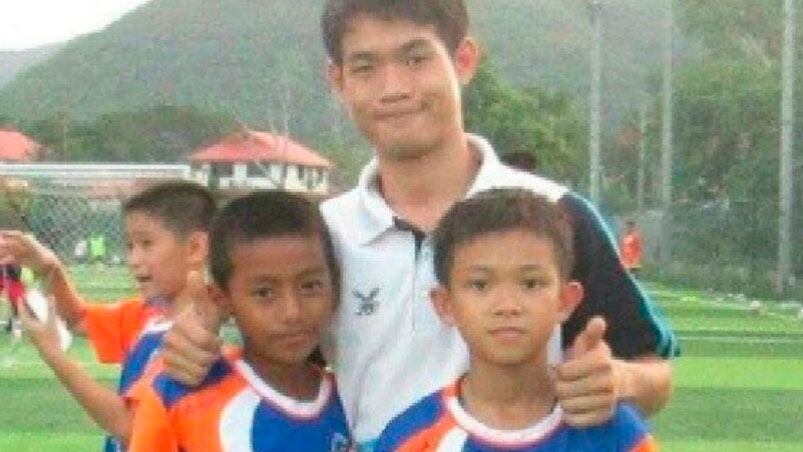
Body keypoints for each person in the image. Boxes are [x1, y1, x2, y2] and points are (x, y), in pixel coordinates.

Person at [161, 1, 678, 449]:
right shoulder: (320, 235)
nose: (393, 89)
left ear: (464, 60)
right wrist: (195, 340)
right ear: (338, 82)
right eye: (365, 67)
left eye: (415, 58)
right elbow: (273, 356)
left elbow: (654, 370)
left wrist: (621, 379)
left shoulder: (556, 215)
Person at [376, 189, 657, 451]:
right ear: (446, 305)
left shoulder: (617, 434)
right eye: (480, 285)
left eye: (531, 283)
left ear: (566, 301)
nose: (507, 306)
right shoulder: (409, 438)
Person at [128, 191, 352, 452]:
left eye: (310, 286)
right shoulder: (179, 395)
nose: (293, 312)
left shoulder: (352, 399)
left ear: (335, 288)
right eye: (264, 293)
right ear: (222, 299)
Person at [1, 180, 215, 451]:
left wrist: (53, 354)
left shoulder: (200, 336)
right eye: (130, 246)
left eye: (146, 244)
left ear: (195, 248)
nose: (133, 259)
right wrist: (48, 267)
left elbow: (129, 426)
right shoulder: (147, 315)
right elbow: (78, 319)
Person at [0, 263, 25, 338]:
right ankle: (12, 325)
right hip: (2, 277)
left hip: (12, 279)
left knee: (17, 301)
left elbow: (17, 273)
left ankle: (16, 327)